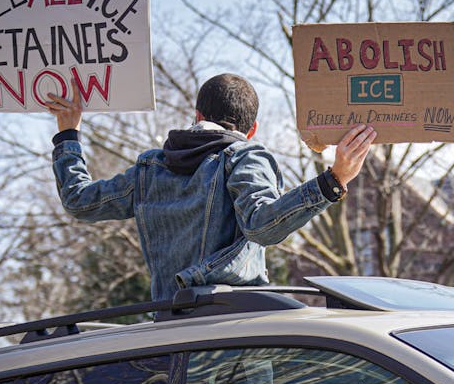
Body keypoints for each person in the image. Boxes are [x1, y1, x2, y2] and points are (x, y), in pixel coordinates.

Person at [42, 73, 375, 300]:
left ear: (197, 113)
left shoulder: (149, 169)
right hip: (234, 335)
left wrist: (68, 132)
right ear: (253, 128)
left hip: (169, 332)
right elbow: (261, 227)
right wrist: (333, 181)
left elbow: (79, 201)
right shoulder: (243, 156)